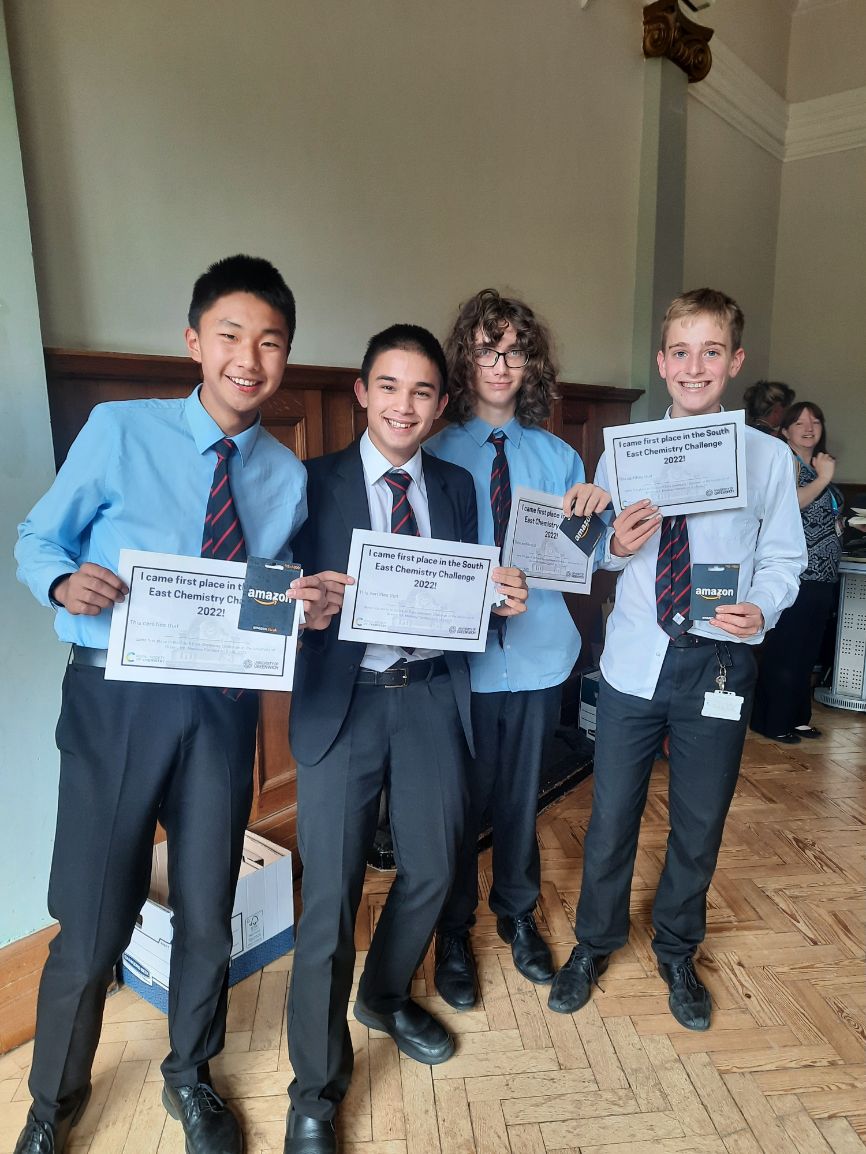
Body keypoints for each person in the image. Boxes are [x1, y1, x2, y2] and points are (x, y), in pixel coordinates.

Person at [13, 255, 347, 1154]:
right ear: (195, 341)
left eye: (271, 341)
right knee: (90, 922)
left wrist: (304, 609)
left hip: (219, 709)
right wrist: (59, 582)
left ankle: (188, 1074)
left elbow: (268, 597)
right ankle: (51, 1104)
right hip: (115, 702)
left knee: (207, 909)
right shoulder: (119, 430)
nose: (251, 357)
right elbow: (37, 536)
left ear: (286, 357)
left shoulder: (284, 475)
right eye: (232, 335)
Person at [282, 324, 527, 1154]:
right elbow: (272, 595)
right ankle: (314, 1089)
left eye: (422, 391)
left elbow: (471, 583)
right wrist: (302, 606)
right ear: (361, 392)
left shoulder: (457, 486)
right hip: (344, 701)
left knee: (432, 865)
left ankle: (382, 995)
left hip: (428, 696)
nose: (404, 405)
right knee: (331, 897)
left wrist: (501, 595)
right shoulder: (307, 484)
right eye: (389, 386)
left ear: (441, 404)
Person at [547, 288, 806, 1032]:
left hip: (720, 663)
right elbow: (594, 548)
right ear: (662, 363)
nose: (696, 366)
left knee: (699, 819)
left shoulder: (767, 459)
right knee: (612, 817)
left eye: (712, 351)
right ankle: (594, 944)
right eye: (682, 351)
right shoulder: (623, 451)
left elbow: (784, 558)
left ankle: (676, 947)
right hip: (636, 660)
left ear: (735, 361)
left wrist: (764, 607)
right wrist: (617, 546)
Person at [423, 290, 608, 1010]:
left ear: (531, 362)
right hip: (458, 664)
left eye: (513, 350)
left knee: (520, 795)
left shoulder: (560, 457)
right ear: (463, 358)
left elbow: (587, 561)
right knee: (456, 802)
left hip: (537, 654)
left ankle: (517, 912)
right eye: (484, 348)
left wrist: (596, 521)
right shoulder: (431, 451)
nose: (500, 364)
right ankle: (452, 927)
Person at [751, 402, 842, 743]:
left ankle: (798, 716)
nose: (808, 427)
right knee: (785, 648)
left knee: (807, 650)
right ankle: (771, 720)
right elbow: (790, 505)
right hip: (795, 572)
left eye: (815, 421)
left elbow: (822, 515)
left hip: (823, 572)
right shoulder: (784, 459)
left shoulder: (819, 462)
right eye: (799, 422)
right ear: (785, 430)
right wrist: (824, 478)